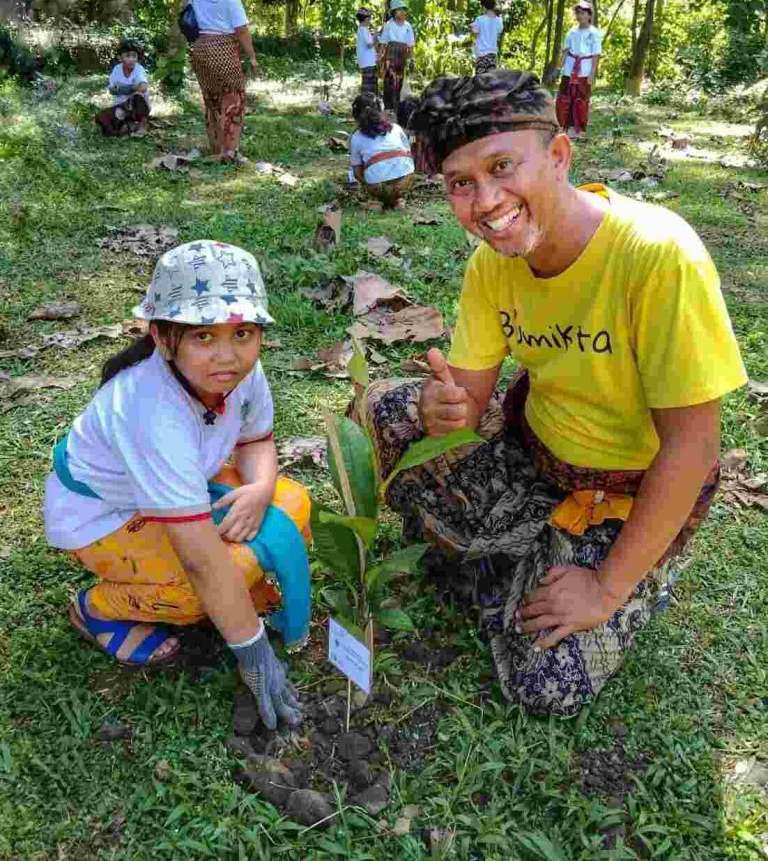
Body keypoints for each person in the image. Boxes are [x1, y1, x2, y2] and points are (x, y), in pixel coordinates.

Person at [354, 68, 747, 718]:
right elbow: (466, 405)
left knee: (546, 680)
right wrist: (440, 407)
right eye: (460, 183)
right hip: (533, 458)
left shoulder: (657, 255)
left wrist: (605, 587)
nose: (486, 201)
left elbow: (694, 446)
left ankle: (632, 569)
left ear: (559, 155)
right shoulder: (491, 266)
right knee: (385, 412)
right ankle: (516, 558)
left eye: (502, 166)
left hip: (624, 493)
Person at [44, 240, 312, 730]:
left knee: (289, 501)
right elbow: (200, 559)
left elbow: (256, 441)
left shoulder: (241, 375)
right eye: (203, 336)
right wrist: (255, 654)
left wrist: (258, 490)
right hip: (107, 517)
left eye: (243, 333)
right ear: (163, 339)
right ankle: (97, 609)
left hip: (182, 486)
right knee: (196, 589)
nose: (227, 356)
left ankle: (237, 595)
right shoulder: (151, 411)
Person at [188, 0, 259, 163]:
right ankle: (229, 151)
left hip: (198, 48)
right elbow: (242, 30)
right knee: (233, 98)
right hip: (222, 49)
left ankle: (216, 147)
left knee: (211, 99)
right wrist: (252, 56)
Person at [349, 92, 414, 208]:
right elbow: (408, 154)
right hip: (404, 182)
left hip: (378, 186)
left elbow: (357, 172)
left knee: (359, 169)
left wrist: (367, 184)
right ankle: (397, 199)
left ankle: (378, 200)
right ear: (381, 111)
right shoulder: (396, 128)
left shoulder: (357, 137)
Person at [556, 0, 601, 139]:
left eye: (583, 13)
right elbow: (565, 52)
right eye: (578, 13)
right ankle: (562, 126)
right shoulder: (571, 32)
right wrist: (559, 68)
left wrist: (592, 73)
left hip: (584, 70)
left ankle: (578, 129)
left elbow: (596, 54)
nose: (580, 16)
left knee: (581, 99)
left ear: (589, 15)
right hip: (569, 69)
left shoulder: (594, 33)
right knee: (565, 98)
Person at [94, 41, 150, 137]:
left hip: (136, 105)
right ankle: (125, 127)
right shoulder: (117, 69)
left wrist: (122, 89)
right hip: (121, 105)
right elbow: (112, 90)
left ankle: (142, 125)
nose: (131, 59)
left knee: (138, 96)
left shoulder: (139, 69)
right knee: (101, 117)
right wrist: (132, 87)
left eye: (134, 56)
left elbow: (143, 88)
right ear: (120, 58)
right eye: (127, 56)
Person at [378, 0, 415, 116]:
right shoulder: (389, 25)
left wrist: (412, 59)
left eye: (404, 9)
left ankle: (396, 109)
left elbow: (410, 44)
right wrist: (379, 59)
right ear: (394, 12)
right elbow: (383, 43)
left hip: (402, 57)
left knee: (399, 83)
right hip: (390, 57)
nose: (403, 12)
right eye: (399, 10)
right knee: (389, 83)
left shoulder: (407, 26)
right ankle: (388, 109)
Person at [471, 0, 504, 74]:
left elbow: (475, 32)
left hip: (481, 55)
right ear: (493, 6)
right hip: (492, 55)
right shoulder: (499, 21)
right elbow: (499, 31)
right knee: (491, 79)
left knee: (480, 79)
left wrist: (472, 26)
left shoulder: (479, 19)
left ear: (484, 7)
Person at [355, 8, 378, 95]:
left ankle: (369, 101)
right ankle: (367, 102)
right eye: (369, 18)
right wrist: (376, 36)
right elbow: (370, 45)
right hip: (367, 63)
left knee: (370, 86)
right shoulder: (363, 30)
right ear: (366, 18)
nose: (370, 20)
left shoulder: (363, 30)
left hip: (368, 62)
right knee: (368, 88)